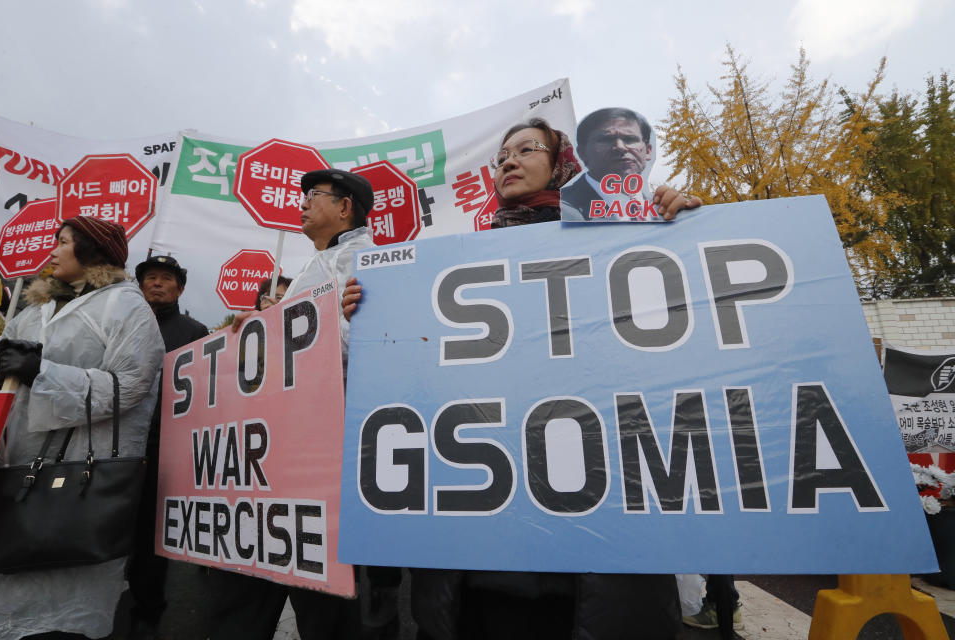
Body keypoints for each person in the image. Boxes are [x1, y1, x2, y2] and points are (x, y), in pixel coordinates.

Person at [408, 117, 700, 640]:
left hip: (592, 540)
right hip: (483, 545)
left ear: (562, 163)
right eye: (502, 157)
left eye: (526, 149)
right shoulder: (453, 270)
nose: (509, 163)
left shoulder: (620, 238)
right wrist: (369, 310)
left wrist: (684, 230)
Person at [215, 169, 378, 640]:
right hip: (287, 443)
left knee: (321, 583)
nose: (302, 204)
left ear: (344, 207)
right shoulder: (320, 263)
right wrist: (264, 325)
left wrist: (287, 327)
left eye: (314, 196)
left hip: (326, 447)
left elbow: (357, 347)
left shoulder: (366, 260)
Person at [0, 216, 165, 639]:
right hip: (16, 467)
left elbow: (130, 386)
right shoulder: (32, 313)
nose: (52, 250)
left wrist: (42, 372)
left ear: (92, 252)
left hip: (80, 477)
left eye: (64, 242)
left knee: (66, 606)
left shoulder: (125, 306)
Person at [128, 254, 209, 638]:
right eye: (150, 278)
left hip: (163, 449)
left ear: (179, 288)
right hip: (119, 446)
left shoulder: (195, 332)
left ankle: (148, 608)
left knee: (149, 533)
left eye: (165, 278)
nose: (156, 284)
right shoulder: (123, 323)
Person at [560, 107, 701, 221]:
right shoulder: (558, 211)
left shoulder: (664, 208)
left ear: (648, 151)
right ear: (582, 152)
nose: (620, 147)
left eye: (630, 139)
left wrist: (688, 219)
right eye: (606, 139)